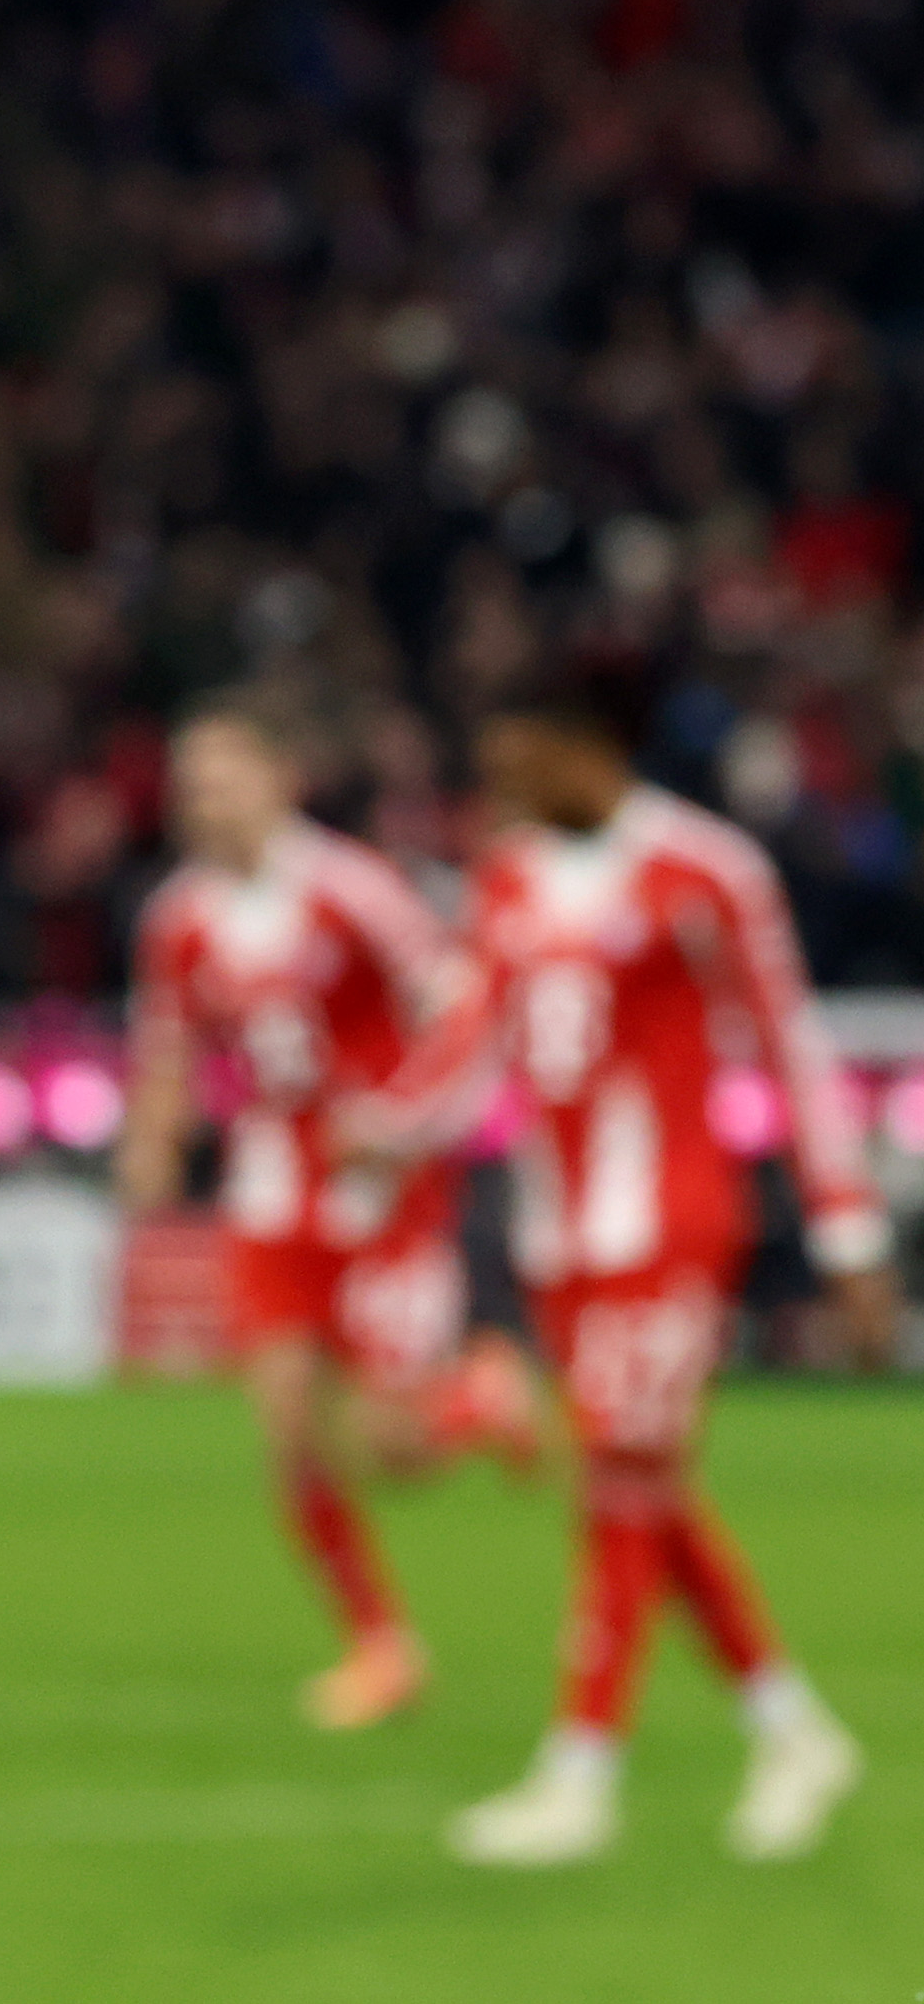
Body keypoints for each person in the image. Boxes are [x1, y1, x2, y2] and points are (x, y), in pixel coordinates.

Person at [353, 658, 899, 1867]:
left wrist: (848, 1228)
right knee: (645, 1485)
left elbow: (792, 1046)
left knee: (614, 1479)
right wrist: (384, 1130)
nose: (493, 790)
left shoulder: (704, 868)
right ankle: (793, 1728)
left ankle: (580, 1774)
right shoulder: (509, 878)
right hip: (562, 1240)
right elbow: (471, 1043)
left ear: (583, 750)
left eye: (512, 764)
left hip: (675, 1223)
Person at [115, 699, 535, 1730]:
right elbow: (169, 1048)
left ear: (278, 779)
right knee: (292, 1431)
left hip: (377, 1195)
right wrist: (150, 1144)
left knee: (390, 1446)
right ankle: (382, 1647)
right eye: (191, 781)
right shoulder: (181, 917)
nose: (204, 797)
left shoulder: (351, 887)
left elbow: (460, 998)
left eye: (223, 774)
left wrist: (398, 1124)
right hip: (269, 1195)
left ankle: (475, 1398)